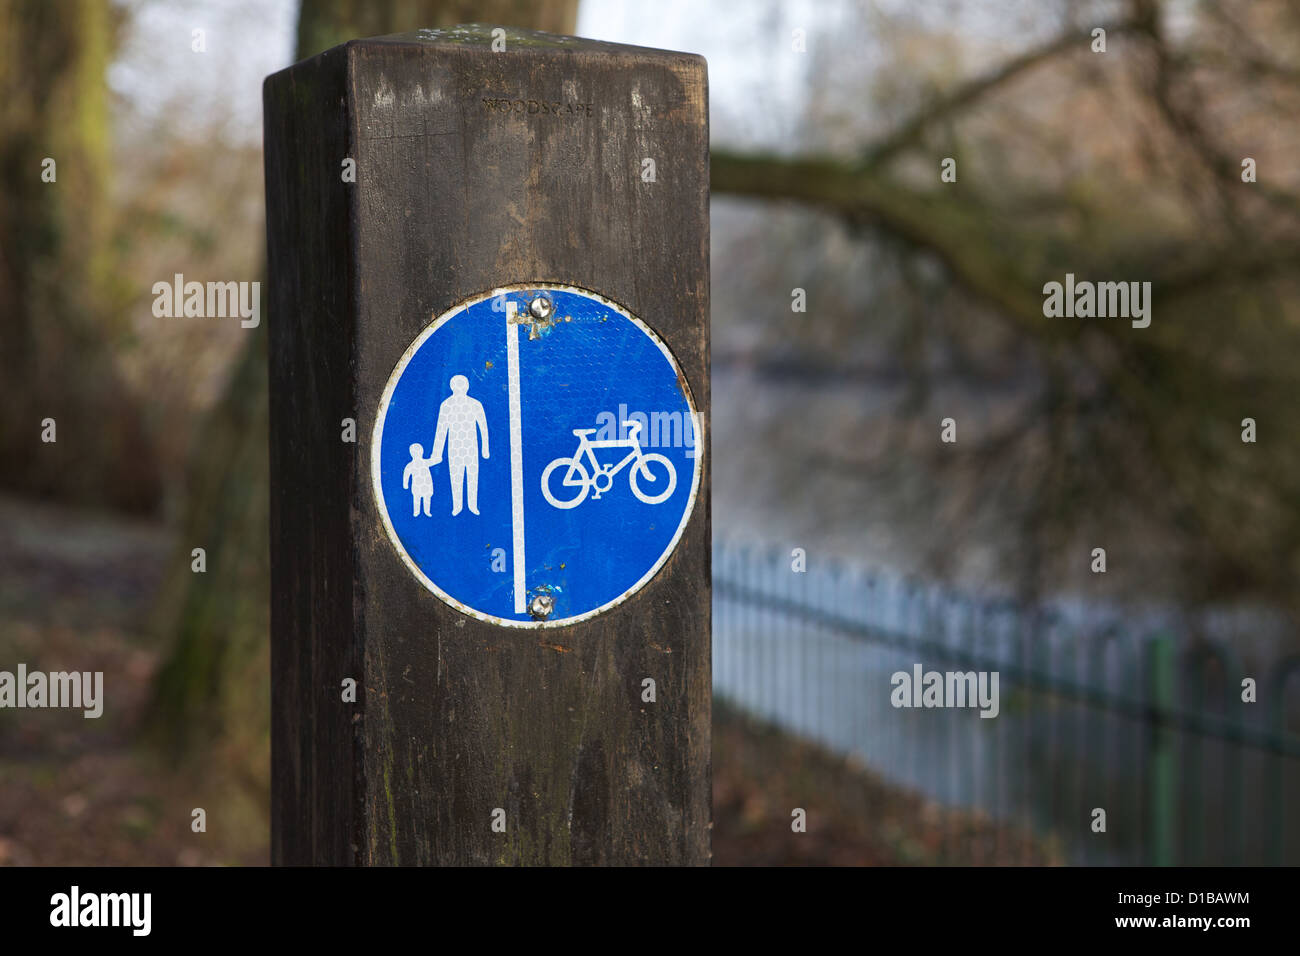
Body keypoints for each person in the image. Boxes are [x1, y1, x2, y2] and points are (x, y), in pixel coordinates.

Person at [432, 374, 489, 516]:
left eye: (462, 385)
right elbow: (441, 430)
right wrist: (437, 453)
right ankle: (456, 506)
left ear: (467, 387)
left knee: (472, 476)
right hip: (454, 447)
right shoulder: (446, 405)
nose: (459, 388)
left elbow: (483, 427)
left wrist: (485, 448)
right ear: (452, 387)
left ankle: (473, 505)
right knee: (455, 476)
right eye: (457, 385)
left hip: (471, 447)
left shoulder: (475, 404)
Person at [402, 443, 437, 517]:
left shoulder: (425, 462)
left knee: (427, 498)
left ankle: (427, 512)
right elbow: (406, 474)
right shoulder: (411, 465)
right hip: (417, 486)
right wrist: (405, 484)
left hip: (426, 485)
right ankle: (416, 512)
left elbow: (435, 461)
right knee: (417, 499)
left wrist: (437, 458)